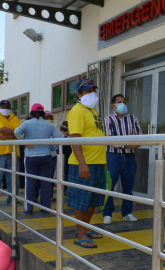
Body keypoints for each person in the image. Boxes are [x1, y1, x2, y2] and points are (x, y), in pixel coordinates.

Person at [66, 78, 106, 248]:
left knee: (93, 200)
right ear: (79, 94)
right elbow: (75, 139)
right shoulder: (77, 111)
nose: (92, 94)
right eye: (88, 91)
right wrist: (82, 163)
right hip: (83, 163)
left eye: (93, 90)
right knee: (81, 200)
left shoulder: (93, 112)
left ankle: (86, 228)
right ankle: (80, 234)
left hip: (97, 162)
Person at [14, 103, 61, 215]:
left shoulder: (27, 123)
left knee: (30, 182)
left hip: (31, 156)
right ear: (43, 113)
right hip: (46, 156)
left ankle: (29, 209)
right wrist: (52, 148)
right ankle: (45, 208)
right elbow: (58, 138)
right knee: (45, 182)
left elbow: (16, 132)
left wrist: (26, 143)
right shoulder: (49, 125)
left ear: (32, 113)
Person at [103, 94, 142, 224]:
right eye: (119, 102)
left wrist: (137, 143)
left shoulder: (133, 119)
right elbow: (109, 139)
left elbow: (139, 135)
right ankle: (107, 213)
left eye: (124, 102)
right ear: (113, 105)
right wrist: (125, 144)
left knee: (128, 187)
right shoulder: (108, 120)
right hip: (114, 157)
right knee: (110, 186)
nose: (123, 104)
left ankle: (127, 212)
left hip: (130, 157)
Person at [0, 100, 21, 206]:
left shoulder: (15, 118)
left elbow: (19, 133)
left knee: (13, 178)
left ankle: (13, 199)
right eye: (3, 107)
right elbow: (2, 129)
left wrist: (3, 137)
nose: (5, 109)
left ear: (11, 109)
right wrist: (14, 133)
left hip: (13, 152)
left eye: (7, 107)